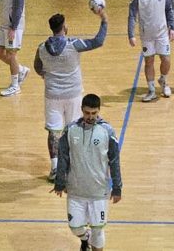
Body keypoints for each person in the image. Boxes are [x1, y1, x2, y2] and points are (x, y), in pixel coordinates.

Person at [34, 8, 108, 181]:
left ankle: (54, 168)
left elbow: (38, 67)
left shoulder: (42, 48)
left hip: (52, 95)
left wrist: (45, 75)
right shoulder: (73, 44)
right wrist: (104, 20)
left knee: (54, 131)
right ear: (64, 27)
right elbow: (98, 41)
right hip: (73, 94)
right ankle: (74, 166)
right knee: (74, 129)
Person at [51, 94, 122, 251]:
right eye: (87, 113)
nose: (90, 117)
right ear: (82, 110)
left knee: (98, 230)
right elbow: (63, 157)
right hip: (76, 190)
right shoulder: (70, 130)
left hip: (99, 191)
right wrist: (60, 181)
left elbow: (115, 161)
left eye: (94, 113)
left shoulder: (107, 131)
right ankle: (85, 238)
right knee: (75, 227)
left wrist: (117, 187)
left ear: (99, 110)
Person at [128, 0, 174, 102]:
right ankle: (152, 90)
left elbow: (169, 9)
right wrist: (131, 35)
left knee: (166, 59)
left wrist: (172, 27)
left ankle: (163, 81)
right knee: (149, 62)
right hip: (147, 36)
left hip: (162, 34)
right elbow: (132, 16)